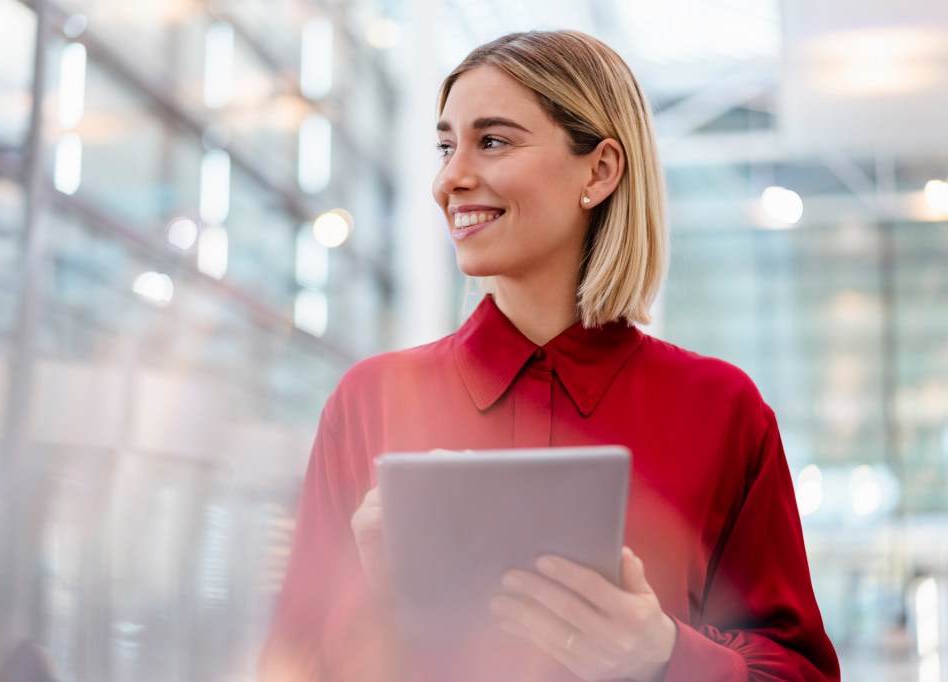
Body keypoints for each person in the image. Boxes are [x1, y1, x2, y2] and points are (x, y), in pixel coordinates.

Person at [259, 29, 840, 681]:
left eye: (494, 140)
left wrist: (664, 654)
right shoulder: (370, 402)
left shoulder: (721, 411)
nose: (450, 178)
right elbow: (293, 660)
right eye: (446, 146)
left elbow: (800, 672)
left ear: (600, 170)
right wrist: (372, 595)